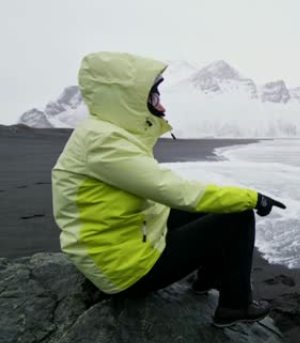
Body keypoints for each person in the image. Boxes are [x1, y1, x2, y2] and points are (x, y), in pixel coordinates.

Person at [51, 52, 286, 327]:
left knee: (208, 209)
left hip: (123, 242)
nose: (160, 104)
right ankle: (235, 305)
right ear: (128, 98)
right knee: (238, 215)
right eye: (153, 96)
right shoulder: (104, 144)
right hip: (125, 269)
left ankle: (206, 280)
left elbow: (164, 191)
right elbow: (173, 189)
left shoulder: (102, 133)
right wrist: (250, 197)